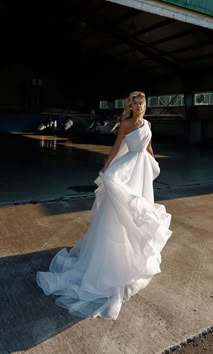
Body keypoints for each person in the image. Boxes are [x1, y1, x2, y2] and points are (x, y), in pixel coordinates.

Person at [36, 91, 172, 320]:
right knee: (119, 211)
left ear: (146, 105)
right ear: (131, 105)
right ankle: (111, 258)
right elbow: (117, 148)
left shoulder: (147, 123)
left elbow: (148, 147)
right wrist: (106, 167)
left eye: (142, 103)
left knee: (139, 210)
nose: (139, 106)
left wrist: (154, 162)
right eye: (135, 103)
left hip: (142, 169)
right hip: (128, 169)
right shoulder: (125, 124)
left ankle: (132, 252)